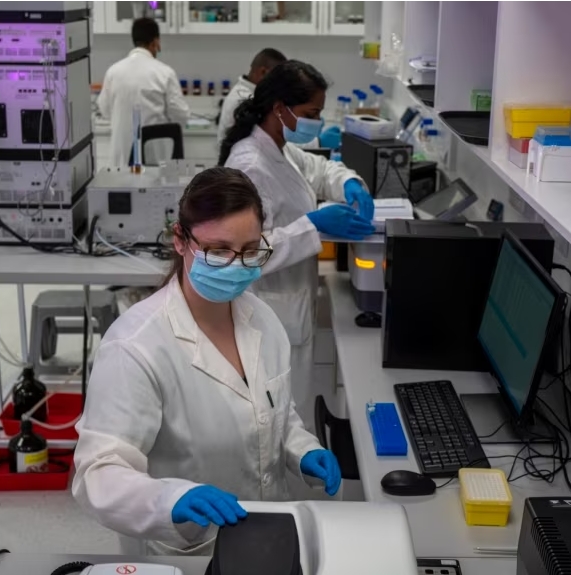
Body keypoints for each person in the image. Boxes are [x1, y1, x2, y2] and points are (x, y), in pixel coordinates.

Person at [72, 167, 342, 556]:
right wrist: (171, 499)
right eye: (218, 250)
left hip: (269, 534)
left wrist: (302, 450)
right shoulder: (135, 347)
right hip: (190, 552)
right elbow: (97, 473)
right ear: (180, 240)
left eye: (250, 251)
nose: (236, 265)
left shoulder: (263, 319)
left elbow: (272, 412)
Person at [219, 61, 375, 432]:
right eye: (311, 114)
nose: (316, 123)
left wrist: (350, 183)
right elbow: (242, 256)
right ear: (279, 108)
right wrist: (312, 227)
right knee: (274, 423)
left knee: (289, 419)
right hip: (267, 311)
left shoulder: (279, 146)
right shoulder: (250, 165)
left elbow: (320, 171)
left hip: (290, 305)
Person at [97, 17, 189, 167]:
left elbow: (105, 110)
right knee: (154, 189)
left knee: (122, 188)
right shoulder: (165, 73)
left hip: (121, 159)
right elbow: (181, 115)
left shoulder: (113, 72)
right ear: (156, 42)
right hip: (154, 158)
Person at [216, 48, 287, 151]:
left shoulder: (251, 93)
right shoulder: (243, 98)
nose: (280, 85)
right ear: (263, 72)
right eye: (279, 79)